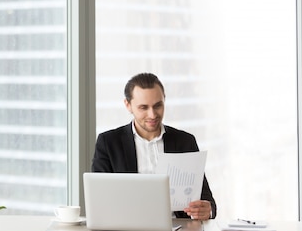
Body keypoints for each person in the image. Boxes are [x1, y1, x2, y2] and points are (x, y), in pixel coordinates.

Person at [91, 72, 217, 220]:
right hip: (127, 227)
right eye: (143, 108)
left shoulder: (185, 141)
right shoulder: (108, 142)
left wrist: (207, 210)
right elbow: (99, 201)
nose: (152, 115)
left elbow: (207, 199)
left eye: (158, 106)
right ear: (128, 105)